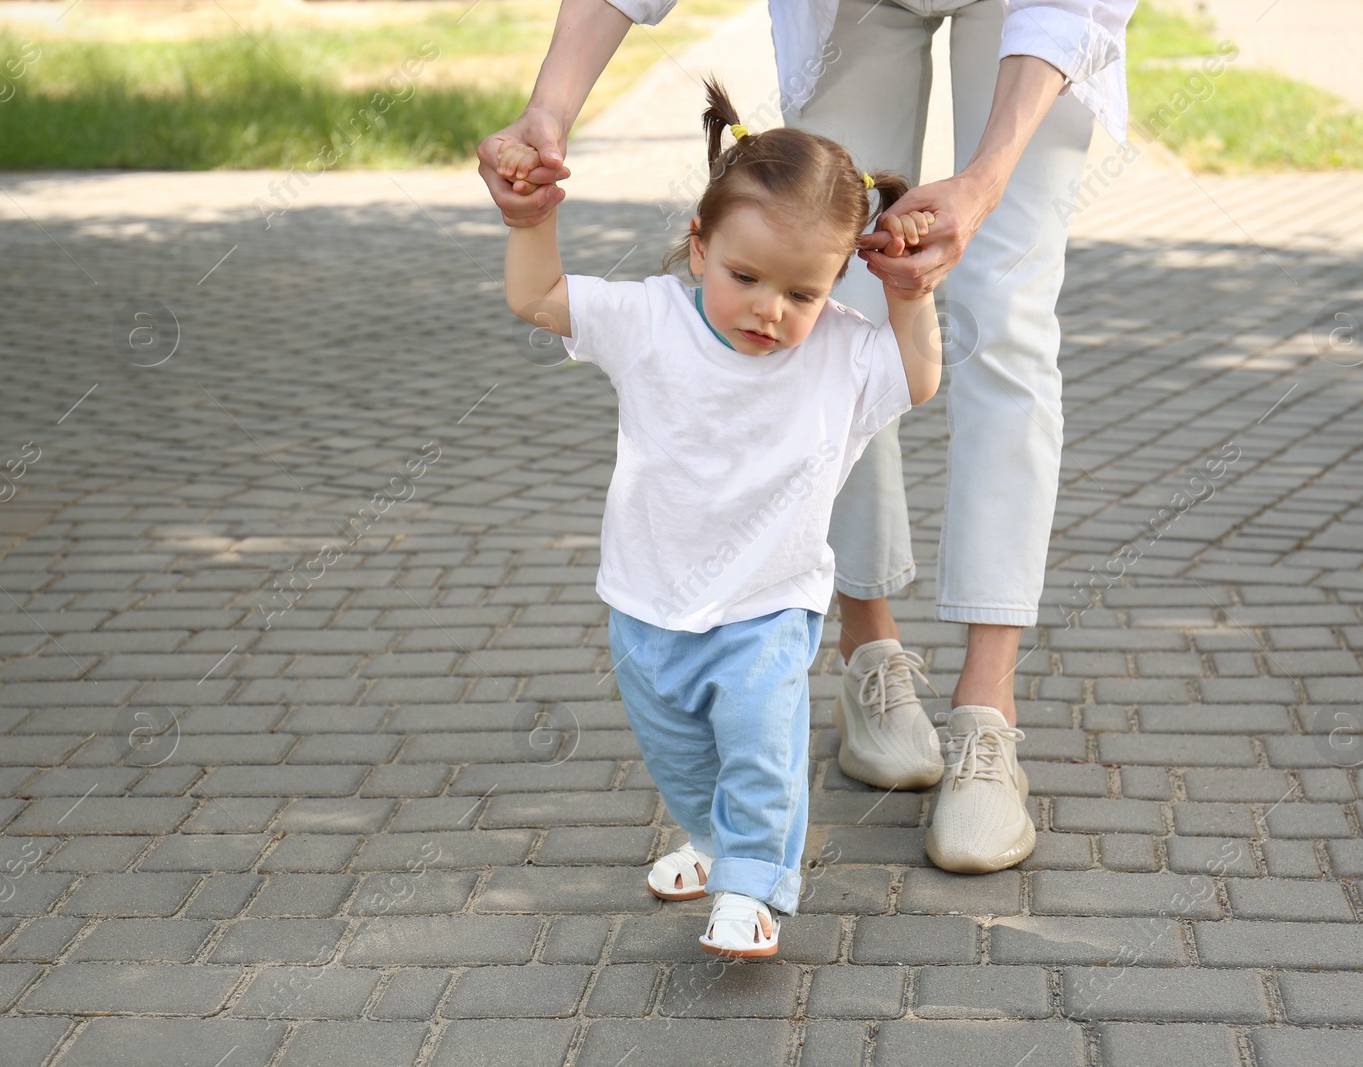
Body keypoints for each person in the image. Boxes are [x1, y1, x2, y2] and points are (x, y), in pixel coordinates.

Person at [482, 0, 1138, 875]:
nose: (755, 299)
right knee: (827, 291)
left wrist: (982, 183)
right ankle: (870, 650)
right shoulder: (657, 313)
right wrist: (550, 111)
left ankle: (987, 712)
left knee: (1004, 315)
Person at [490, 76, 942, 957]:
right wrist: (526, 222)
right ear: (698, 247)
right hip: (646, 602)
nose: (771, 310)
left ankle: (752, 886)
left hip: (768, 604)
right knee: (682, 758)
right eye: (746, 277)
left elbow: (919, 377)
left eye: (802, 294)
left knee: (758, 748)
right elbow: (536, 296)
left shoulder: (844, 352)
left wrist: (909, 294)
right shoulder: (649, 319)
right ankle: (711, 839)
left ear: (834, 284)